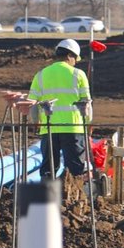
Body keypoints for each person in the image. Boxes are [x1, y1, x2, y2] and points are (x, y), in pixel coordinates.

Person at [29, 38, 93, 182]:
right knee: (76, 167)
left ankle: (47, 198)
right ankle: (76, 199)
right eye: (75, 58)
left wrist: (36, 122)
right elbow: (86, 103)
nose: (75, 62)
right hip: (73, 129)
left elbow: (32, 103)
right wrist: (88, 123)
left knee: (48, 168)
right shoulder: (78, 74)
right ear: (70, 55)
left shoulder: (41, 74)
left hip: (49, 128)